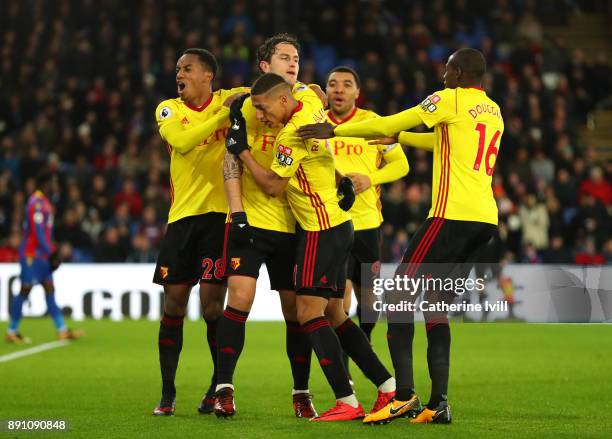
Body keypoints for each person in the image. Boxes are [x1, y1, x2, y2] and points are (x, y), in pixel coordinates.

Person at [298, 48, 504, 424]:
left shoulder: (449, 98)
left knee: (396, 297)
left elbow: (386, 122)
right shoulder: (492, 110)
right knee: (436, 303)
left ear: (457, 73)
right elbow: (442, 143)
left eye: (446, 71)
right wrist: (402, 138)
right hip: (485, 220)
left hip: (450, 215)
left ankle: (404, 396)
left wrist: (339, 129)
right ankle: (438, 403)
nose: (442, 77)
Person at [227, 73, 396, 421]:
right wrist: (341, 180)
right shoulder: (312, 109)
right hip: (339, 225)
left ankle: (346, 401)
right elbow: (314, 96)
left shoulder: (291, 134)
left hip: (321, 230)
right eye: (255, 108)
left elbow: (273, 186)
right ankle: (387, 387)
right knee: (335, 314)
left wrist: (242, 150)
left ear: (283, 100)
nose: (260, 115)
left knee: (308, 314)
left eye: (263, 107)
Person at [215, 33, 324, 419]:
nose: (293, 62)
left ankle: (301, 392)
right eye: (283, 57)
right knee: (240, 299)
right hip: (250, 219)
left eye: (296, 57)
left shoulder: (308, 99)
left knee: (295, 311)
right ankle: (223, 388)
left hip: (293, 220)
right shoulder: (245, 104)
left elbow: (319, 102)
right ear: (264, 65)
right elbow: (230, 159)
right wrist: (237, 212)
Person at [151, 48, 247, 416]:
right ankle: (167, 392)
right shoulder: (169, 109)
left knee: (212, 308)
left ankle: (217, 387)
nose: (179, 74)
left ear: (208, 75)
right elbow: (182, 141)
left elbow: (273, 91)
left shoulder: (230, 97)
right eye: (177, 69)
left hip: (219, 218)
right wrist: (223, 115)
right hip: (182, 218)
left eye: (187, 68)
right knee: (173, 304)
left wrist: (312, 89)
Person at [324, 66, 409, 343]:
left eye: (346, 85)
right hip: (329, 222)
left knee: (369, 299)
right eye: (333, 84)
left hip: (367, 224)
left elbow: (401, 165)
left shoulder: (372, 122)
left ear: (357, 92)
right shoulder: (318, 126)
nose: (339, 89)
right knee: (340, 298)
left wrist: (370, 180)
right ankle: (346, 362)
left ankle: (365, 340)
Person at [5, 172, 83, 344]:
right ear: (46, 184)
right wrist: (52, 252)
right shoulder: (37, 203)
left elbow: (46, 233)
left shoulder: (45, 202)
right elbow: (38, 232)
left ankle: (61, 329)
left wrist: (51, 249)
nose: (55, 186)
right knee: (25, 290)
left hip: (42, 255)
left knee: (49, 289)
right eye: (53, 183)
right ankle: (11, 331)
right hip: (32, 255)